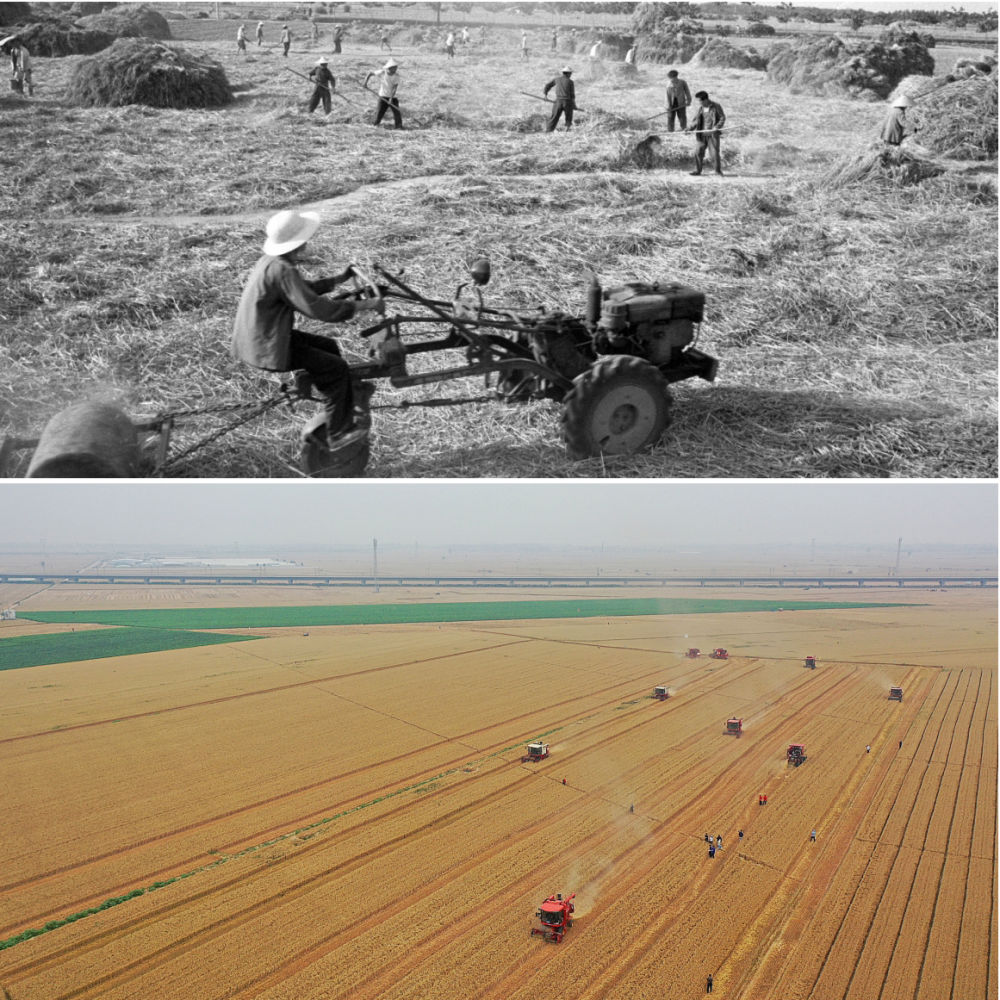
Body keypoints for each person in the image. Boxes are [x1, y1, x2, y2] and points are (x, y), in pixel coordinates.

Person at [231, 210, 383, 445]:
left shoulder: (271, 262)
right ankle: (338, 433)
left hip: (258, 339)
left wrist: (337, 280)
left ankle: (339, 400)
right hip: (266, 346)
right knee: (336, 368)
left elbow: (301, 290)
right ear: (298, 242)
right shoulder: (284, 270)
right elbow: (319, 309)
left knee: (328, 346)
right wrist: (366, 304)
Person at [688, 89, 726, 176]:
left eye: (699, 101)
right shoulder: (700, 109)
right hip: (701, 135)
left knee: (714, 154)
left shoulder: (716, 106)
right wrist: (689, 128)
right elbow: (696, 121)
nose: (699, 103)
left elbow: (722, 118)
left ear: (705, 99)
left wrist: (716, 127)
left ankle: (718, 172)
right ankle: (698, 171)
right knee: (698, 152)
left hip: (712, 135)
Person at [366, 59, 402, 129]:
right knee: (379, 112)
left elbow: (394, 88)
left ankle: (399, 126)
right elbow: (370, 73)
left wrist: (390, 99)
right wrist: (365, 83)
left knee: (397, 112)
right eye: (394, 68)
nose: (395, 70)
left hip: (393, 97)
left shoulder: (396, 76)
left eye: (396, 68)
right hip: (383, 96)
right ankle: (375, 125)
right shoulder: (382, 72)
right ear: (389, 68)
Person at [543, 65, 575, 132]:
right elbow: (572, 95)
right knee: (569, 117)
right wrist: (574, 105)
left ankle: (549, 130)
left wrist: (545, 95)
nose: (571, 75)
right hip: (567, 102)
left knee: (554, 117)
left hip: (558, 102)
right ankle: (567, 130)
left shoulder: (557, 79)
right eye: (570, 73)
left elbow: (547, 85)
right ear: (568, 73)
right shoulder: (570, 82)